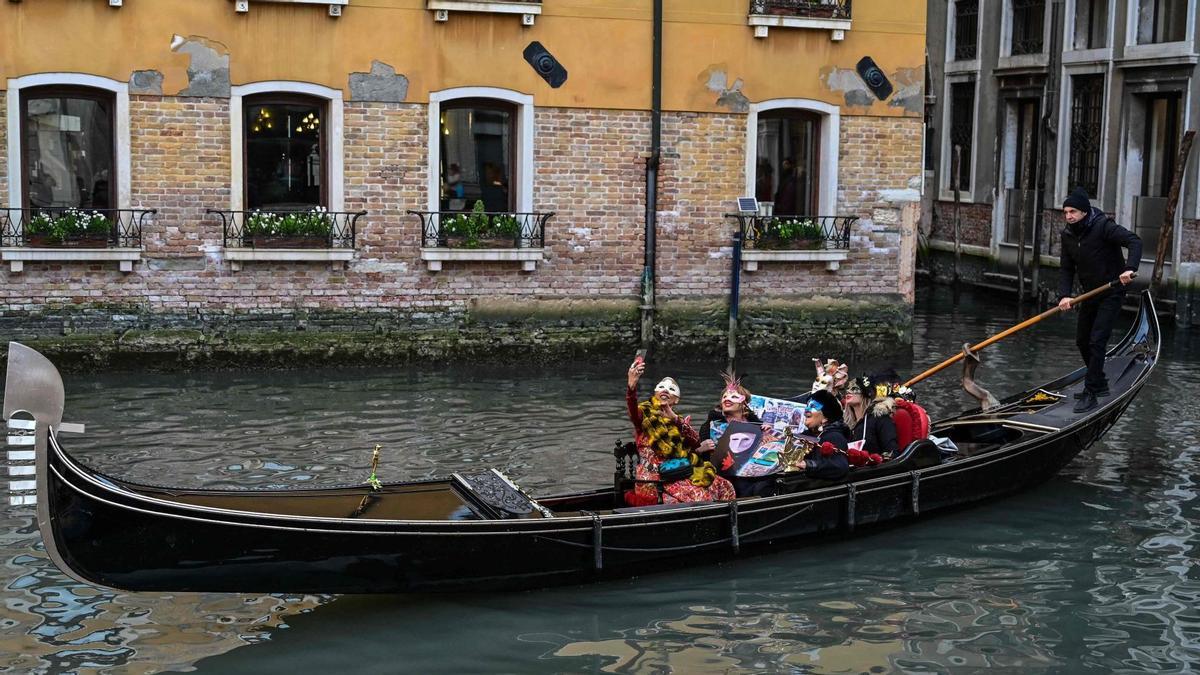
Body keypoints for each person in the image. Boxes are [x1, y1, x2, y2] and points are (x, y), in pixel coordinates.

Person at [1057, 186, 1141, 413]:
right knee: (1082, 341)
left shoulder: (1104, 227)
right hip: (1090, 294)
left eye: (1072, 211)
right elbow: (1066, 268)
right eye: (1066, 212)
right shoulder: (1068, 235)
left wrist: (1129, 268)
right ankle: (1100, 381)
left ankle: (1091, 392)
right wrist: (1064, 295)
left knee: (1097, 341)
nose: (1068, 216)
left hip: (1112, 292)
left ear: (1084, 211)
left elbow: (1134, 241)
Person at [625, 360, 736, 504]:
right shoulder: (643, 415)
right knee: (699, 497)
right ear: (656, 393)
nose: (665, 390)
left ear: (676, 400)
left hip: (680, 472)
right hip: (654, 478)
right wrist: (631, 387)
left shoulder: (678, 421)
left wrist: (675, 419)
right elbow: (632, 409)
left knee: (725, 486)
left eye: (671, 389)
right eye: (662, 387)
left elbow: (695, 442)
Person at [697, 371, 776, 496]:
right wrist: (701, 449)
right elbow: (701, 460)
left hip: (754, 474)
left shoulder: (757, 426)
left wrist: (768, 435)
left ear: (743, 404)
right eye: (724, 397)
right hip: (724, 476)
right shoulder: (709, 426)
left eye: (733, 397)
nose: (727, 399)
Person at [792, 389, 850, 480]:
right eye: (807, 406)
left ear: (826, 417)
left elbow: (840, 466)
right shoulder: (806, 434)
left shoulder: (834, 436)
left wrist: (808, 464)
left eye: (813, 406)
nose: (807, 409)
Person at [843, 375, 899, 459]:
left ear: (866, 393)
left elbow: (891, 452)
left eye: (854, 388)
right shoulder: (846, 425)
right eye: (848, 388)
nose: (848, 391)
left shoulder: (879, 418)